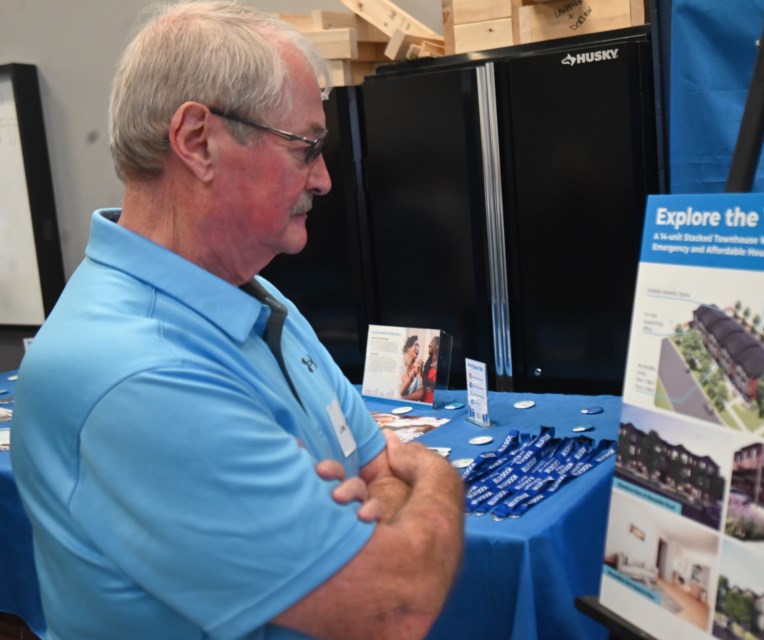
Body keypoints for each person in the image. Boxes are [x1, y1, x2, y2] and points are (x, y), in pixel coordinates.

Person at [10, 3, 464, 639]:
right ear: (197, 141)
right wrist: (440, 480)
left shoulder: (252, 296)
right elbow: (396, 603)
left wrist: (375, 503)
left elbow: (378, 471)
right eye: (305, 147)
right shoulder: (140, 374)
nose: (326, 178)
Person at [398, 334, 425, 401]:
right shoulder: (399, 366)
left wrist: (403, 399)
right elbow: (399, 391)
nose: (418, 348)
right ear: (408, 348)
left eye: (419, 346)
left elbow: (420, 393)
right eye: (415, 345)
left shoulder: (419, 368)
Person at [422, 335, 440, 405]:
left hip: (433, 402)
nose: (429, 345)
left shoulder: (441, 364)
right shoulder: (428, 362)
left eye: (432, 342)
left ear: (437, 346)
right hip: (424, 400)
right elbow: (424, 382)